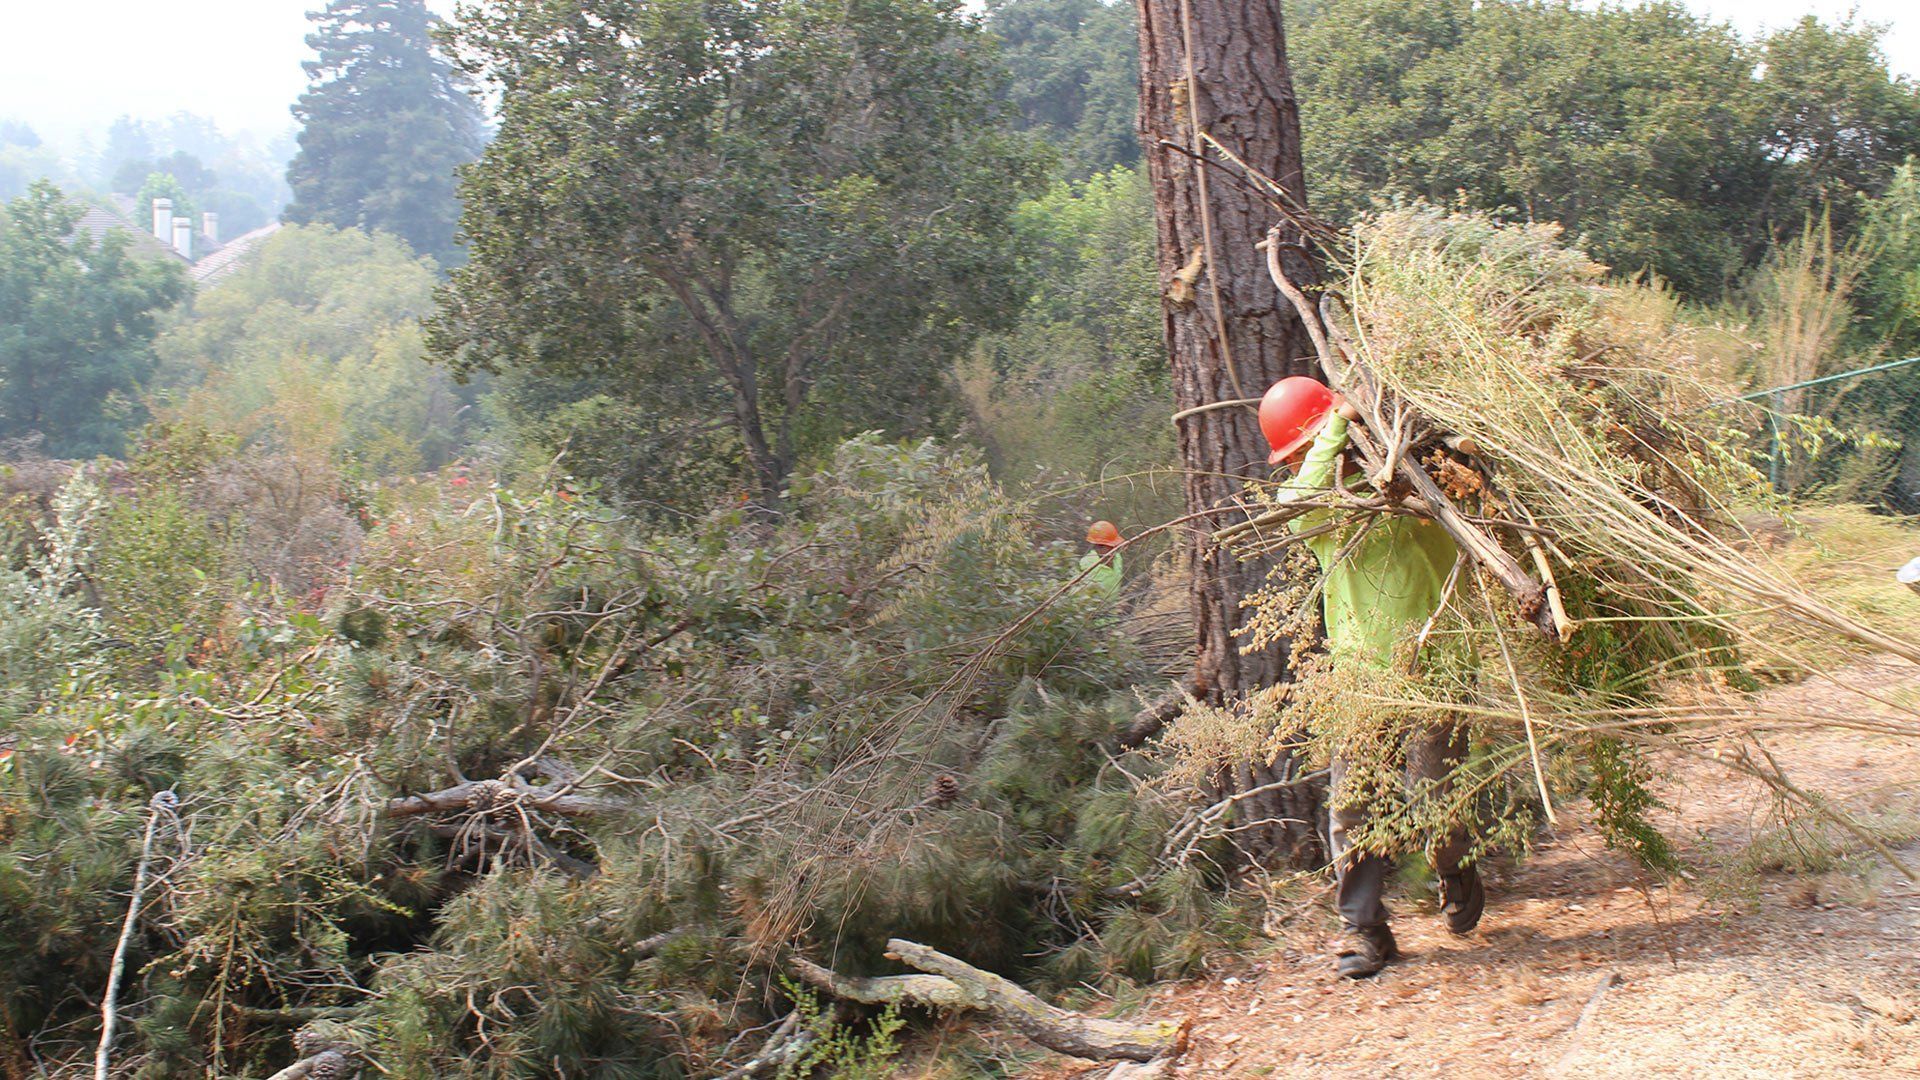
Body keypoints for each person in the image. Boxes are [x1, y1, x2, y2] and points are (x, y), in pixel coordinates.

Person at [1262, 376, 1486, 978]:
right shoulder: (1326, 515)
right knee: (1355, 804)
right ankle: (1364, 931)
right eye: (1308, 453)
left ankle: (1454, 871)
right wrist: (1335, 426)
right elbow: (1294, 502)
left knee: (1437, 792)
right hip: (1362, 679)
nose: (1313, 464)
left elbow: (1475, 482)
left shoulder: (1422, 482)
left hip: (1439, 665)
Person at [1080, 520, 1125, 601]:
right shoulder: (1086, 564)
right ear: (1098, 547)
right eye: (1110, 546)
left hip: (1113, 608)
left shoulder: (1118, 558)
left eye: (1115, 546)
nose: (1114, 549)